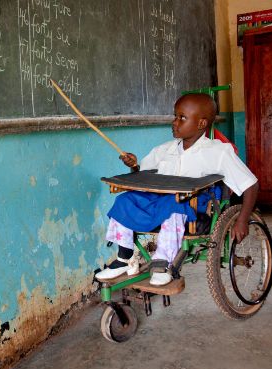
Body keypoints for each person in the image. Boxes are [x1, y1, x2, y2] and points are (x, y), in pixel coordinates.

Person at [95, 93, 258, 286]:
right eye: (175, 116)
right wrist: (134, 165)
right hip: (158, 201)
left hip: (193, 209)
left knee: (174, 205)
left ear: (201, 124)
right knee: (125, 200)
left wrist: (242, 219)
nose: (174, 122)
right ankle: (125, 258)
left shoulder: (218, 152)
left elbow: (250, 184)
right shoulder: (164, 149)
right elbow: (144, 175)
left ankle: (162, 263)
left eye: (182, 118)